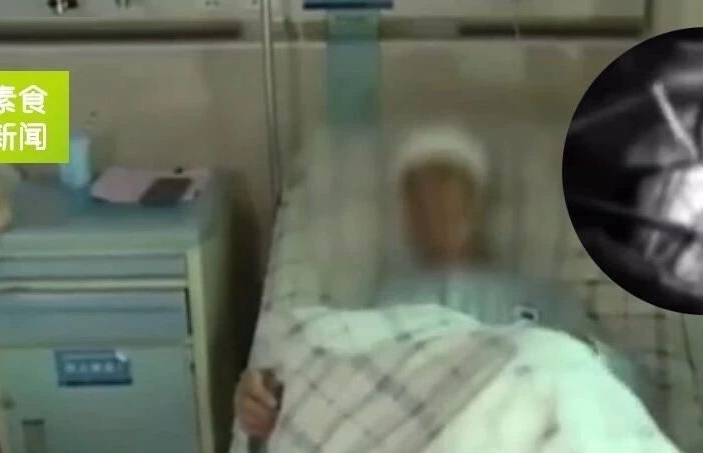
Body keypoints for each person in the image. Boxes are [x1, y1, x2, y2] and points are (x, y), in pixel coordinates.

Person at [236, 126, 637, 440]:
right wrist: (269, 396)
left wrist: (572, 358)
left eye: (447, 190)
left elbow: (620, 391)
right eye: (419, 198)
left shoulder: (542, 298)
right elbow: (339, 392)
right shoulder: (382, 304)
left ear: (477, 203)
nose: (434, 208)